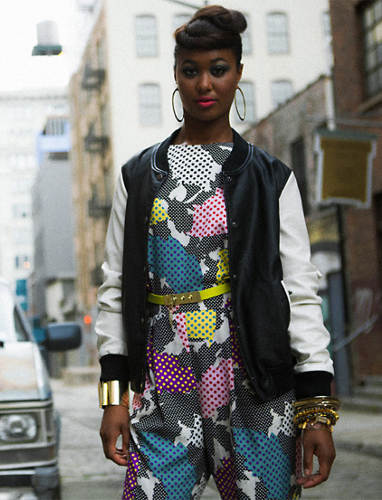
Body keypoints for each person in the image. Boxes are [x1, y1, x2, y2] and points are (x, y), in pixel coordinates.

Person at [95, 5, 338, 499]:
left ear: (238, 74)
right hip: (165, 376)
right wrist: (113, 395)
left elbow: (299, 289)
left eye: (218, 69)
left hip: (253, 379)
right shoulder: (138, 177)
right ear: (176, 76)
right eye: (191, 70)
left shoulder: (272, 178)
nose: (204, 84)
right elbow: (115, 286)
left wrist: (316, 409)